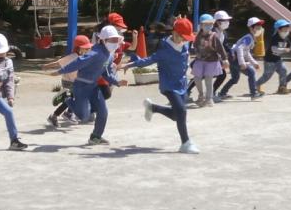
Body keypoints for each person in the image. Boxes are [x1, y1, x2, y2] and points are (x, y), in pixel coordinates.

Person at [126, 18, 200, 154]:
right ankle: (186, 143)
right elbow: (149, 60)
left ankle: (153, 108)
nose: (184, 40)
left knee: (176, 115)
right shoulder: (164, 49)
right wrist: (130, 63)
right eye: (182, 37)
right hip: (169, 85)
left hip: (181, 84)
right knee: (182, 111)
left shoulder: (185, 44)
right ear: (175, 33)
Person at [53, 25, 128, 146]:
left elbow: (106, 73)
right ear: (103, 40)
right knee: (83, 116)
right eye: (112, 40)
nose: (115, 42)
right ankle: (67, 98)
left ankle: (95, 136)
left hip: (93, 87)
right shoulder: (95, 52)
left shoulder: (109, 55)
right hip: (81, 86)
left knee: (103, 112)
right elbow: (78, 62)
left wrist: (117, 82)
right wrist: (60, 71)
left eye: (116, 40)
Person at [43, 34, 93, 128]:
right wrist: (47, 66)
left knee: (75, 99)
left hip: (76, 82)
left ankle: (68, 113)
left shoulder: (83, 57)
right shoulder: (72, 57)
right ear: (78, 48)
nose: (87, 50)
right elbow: (58, 63)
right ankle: (54, 116)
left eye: (88, 48)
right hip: (68, 82)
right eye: (85, 48)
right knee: (70, 101)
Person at [218, 17, 265, 100]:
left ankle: (222, 93)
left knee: (235, 79)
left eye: (260, 27)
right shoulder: (248, 38)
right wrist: (242, 63)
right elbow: (240, 48)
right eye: (257, 27)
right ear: (251, 28)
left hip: (233, 58)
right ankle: (254, 93)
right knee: (251, 72)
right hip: (235, 58)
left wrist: (254, 63)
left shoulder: (251, 37)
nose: (259, 29)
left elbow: (246, 52)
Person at [191, 14, 228, 107]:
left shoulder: (214, 36)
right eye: (206, 24)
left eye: (211, 24)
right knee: (196, 77)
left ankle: (209, 98)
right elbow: (193, 47)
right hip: (199, 60)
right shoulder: (197, 35)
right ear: (201, 25)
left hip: (212, 61)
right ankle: (201, 95)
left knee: (208, 79)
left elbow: (220, 48)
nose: (209, 26)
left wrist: (225, 59)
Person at [256, 19, 291, 95]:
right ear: (279, 29)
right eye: (284, 27)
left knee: (283, 70)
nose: (287, 29)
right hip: (270, 60)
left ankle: (282, 88)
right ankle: (255, 85)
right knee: (267, 76)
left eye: (287, 27)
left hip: (278, 59)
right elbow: (274, 49)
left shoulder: (285, 38)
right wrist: (284, 49)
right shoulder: (275, 38)